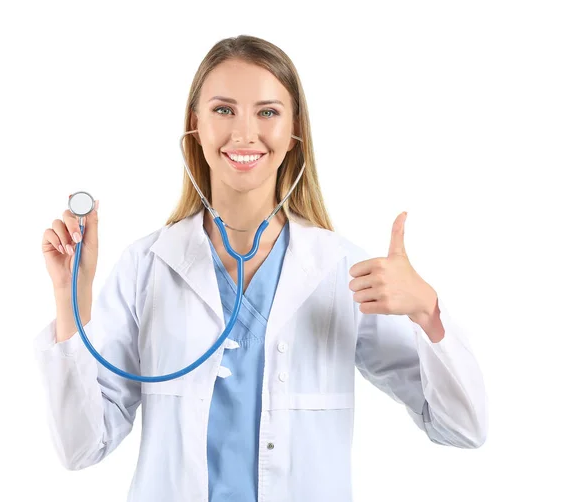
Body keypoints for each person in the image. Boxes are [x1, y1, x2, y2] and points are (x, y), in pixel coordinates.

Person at [34, 34, 487, 502]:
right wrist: (72, 298)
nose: (244, 133)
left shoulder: (339, 270)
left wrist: (427, 312)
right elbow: (82, 447)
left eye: (267, 112)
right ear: (196, 125)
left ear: (294, 133)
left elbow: (463, 427)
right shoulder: (147, 267)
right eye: (223, 110)